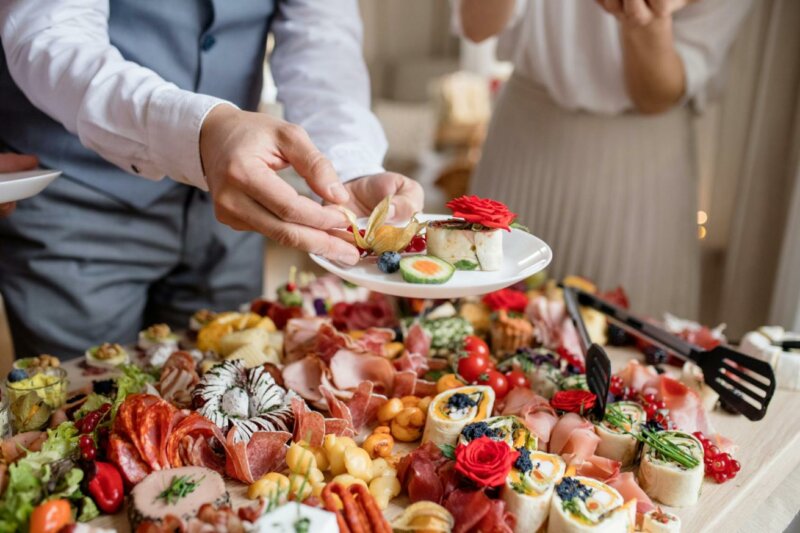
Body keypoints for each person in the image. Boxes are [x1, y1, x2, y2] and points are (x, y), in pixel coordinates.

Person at [0, 0, 423, 358]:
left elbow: (322, 39)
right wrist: (199, 131)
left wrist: (347, 168)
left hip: (230, 217)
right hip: (75, 201)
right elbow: (52, 33)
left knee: (230, 392)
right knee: (83, 402)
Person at [455, 0, 751, 318]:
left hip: (639, 160)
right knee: (479, 314)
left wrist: (644, 20)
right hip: (524, 134)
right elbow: (476, 25)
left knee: (623, 331)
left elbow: (656, 95)